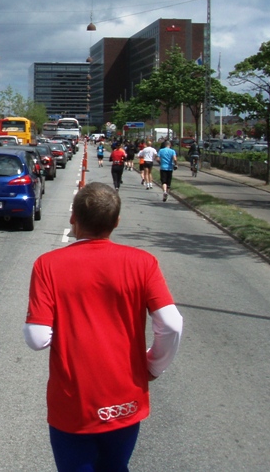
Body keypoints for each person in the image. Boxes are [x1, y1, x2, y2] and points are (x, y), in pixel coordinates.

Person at [24, 183, 183, 472]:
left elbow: (37, 338)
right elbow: (172, 323)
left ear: (73, 218)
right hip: (125, 397)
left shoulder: (47, 265)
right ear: (116, 222)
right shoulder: (143, 263)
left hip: (73, 401)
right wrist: (154, 366)